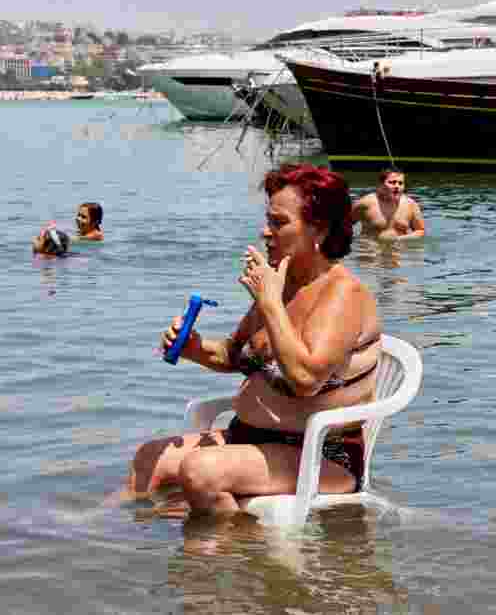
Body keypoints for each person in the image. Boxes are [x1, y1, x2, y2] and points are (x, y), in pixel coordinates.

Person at [122, 163, 382, 515]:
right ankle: (102, 530)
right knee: (150, 458)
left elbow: (306, 379)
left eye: (279, 222)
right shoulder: (284, 284)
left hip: (318, 456)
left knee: (201, 472)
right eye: (268, 220)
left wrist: (270, 302)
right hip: (249, 438)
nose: (265, 232)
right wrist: (194, 348)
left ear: (318, 228)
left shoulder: (343, 294)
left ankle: (233, 557)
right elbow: (237, 354)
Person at [350, 169, 426, 241]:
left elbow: (420, 231)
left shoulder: (411, 205)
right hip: (370, 251)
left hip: (399, 251)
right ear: (381, 184)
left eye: (400, 183)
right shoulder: (365, 203)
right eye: (392, 182)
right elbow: (343, 225)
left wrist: (399, 239)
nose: (397, 186)